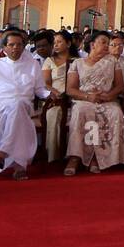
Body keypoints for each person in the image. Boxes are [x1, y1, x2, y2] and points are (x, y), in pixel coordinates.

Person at [0, 27, 50, 180]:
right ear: (4, 47)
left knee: (18, 106)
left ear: (24, 46)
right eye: (11, 45)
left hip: (25, 105)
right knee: (18, 112)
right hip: (0, 106)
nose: (15, 48)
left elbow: (40, 90)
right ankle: (19, 166)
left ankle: (3, 152)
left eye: (19, 44)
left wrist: (51, 95)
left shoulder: (33, 64)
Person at [64, 31, 124, 175]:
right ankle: (75, 158)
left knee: (115, 112)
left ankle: (98, 159)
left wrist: (108, 96)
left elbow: (119, 86)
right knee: (81, 111)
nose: (107, 46)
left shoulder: (112, 62)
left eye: (108, 43)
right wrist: (88, 96)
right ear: (93, 44)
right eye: (104, 42)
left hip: (107, 100)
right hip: (84, 100)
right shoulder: (77, 63)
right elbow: (70, 89)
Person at [42, 30, 75, 162]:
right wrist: (56, 93)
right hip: (56, 97)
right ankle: (54, 155)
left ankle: (74, 154)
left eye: (59, 42)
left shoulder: (77, 61)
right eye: (54, 42)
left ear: (68, 43)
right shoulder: (49, 61)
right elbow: (46, 83)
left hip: (74, 97)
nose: (56, 45)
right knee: (53, 115)